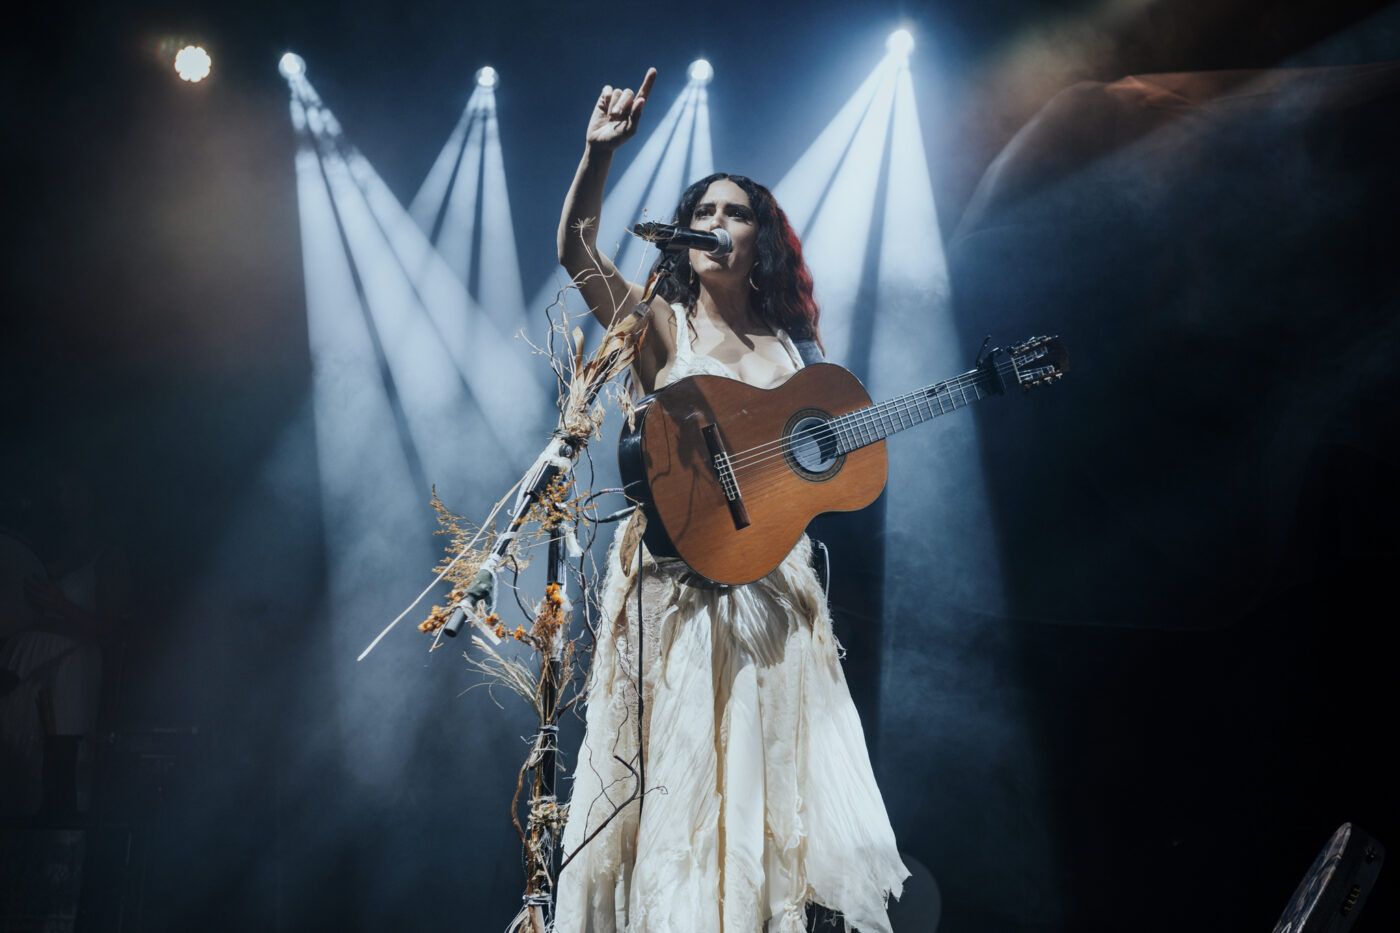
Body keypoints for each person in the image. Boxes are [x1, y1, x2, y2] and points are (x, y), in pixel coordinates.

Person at [554, 68, 908, 933]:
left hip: (775, 596)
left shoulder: (794, 349)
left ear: (761, 238)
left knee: (764, 786)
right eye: (703, 210)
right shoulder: (659, 326)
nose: (716, 222)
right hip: (680, 596)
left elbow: (820, 466)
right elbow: (578, 251)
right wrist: (598, 155)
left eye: (735, 212)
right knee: (683, 786)